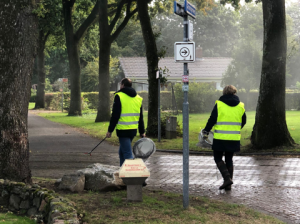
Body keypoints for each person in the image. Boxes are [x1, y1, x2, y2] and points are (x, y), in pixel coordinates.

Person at [203, 85, 246, 190]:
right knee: (229, 159)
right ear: (234, 93)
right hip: (234, 138)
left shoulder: (219, 104)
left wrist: (206, 131)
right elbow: (243, 120)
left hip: (220, 137)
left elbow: (212, 119)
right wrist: (235, 129)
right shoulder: (240, 105)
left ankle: (227, 179)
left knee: (217, 158)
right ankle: (229, 184)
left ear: (224, 93)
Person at [106, 78, 146, 167]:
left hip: (123, 130)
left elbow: (115, 115)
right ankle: (123, 173)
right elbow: (141, 117)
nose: (120, 86)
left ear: (123, 85)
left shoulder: (119, 96)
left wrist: (110, 130)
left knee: (128, 154)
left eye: (120, 84)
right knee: (122, 152)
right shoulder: (138, 98)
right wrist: (142, 131)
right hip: (133, 131)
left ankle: (132, 177)